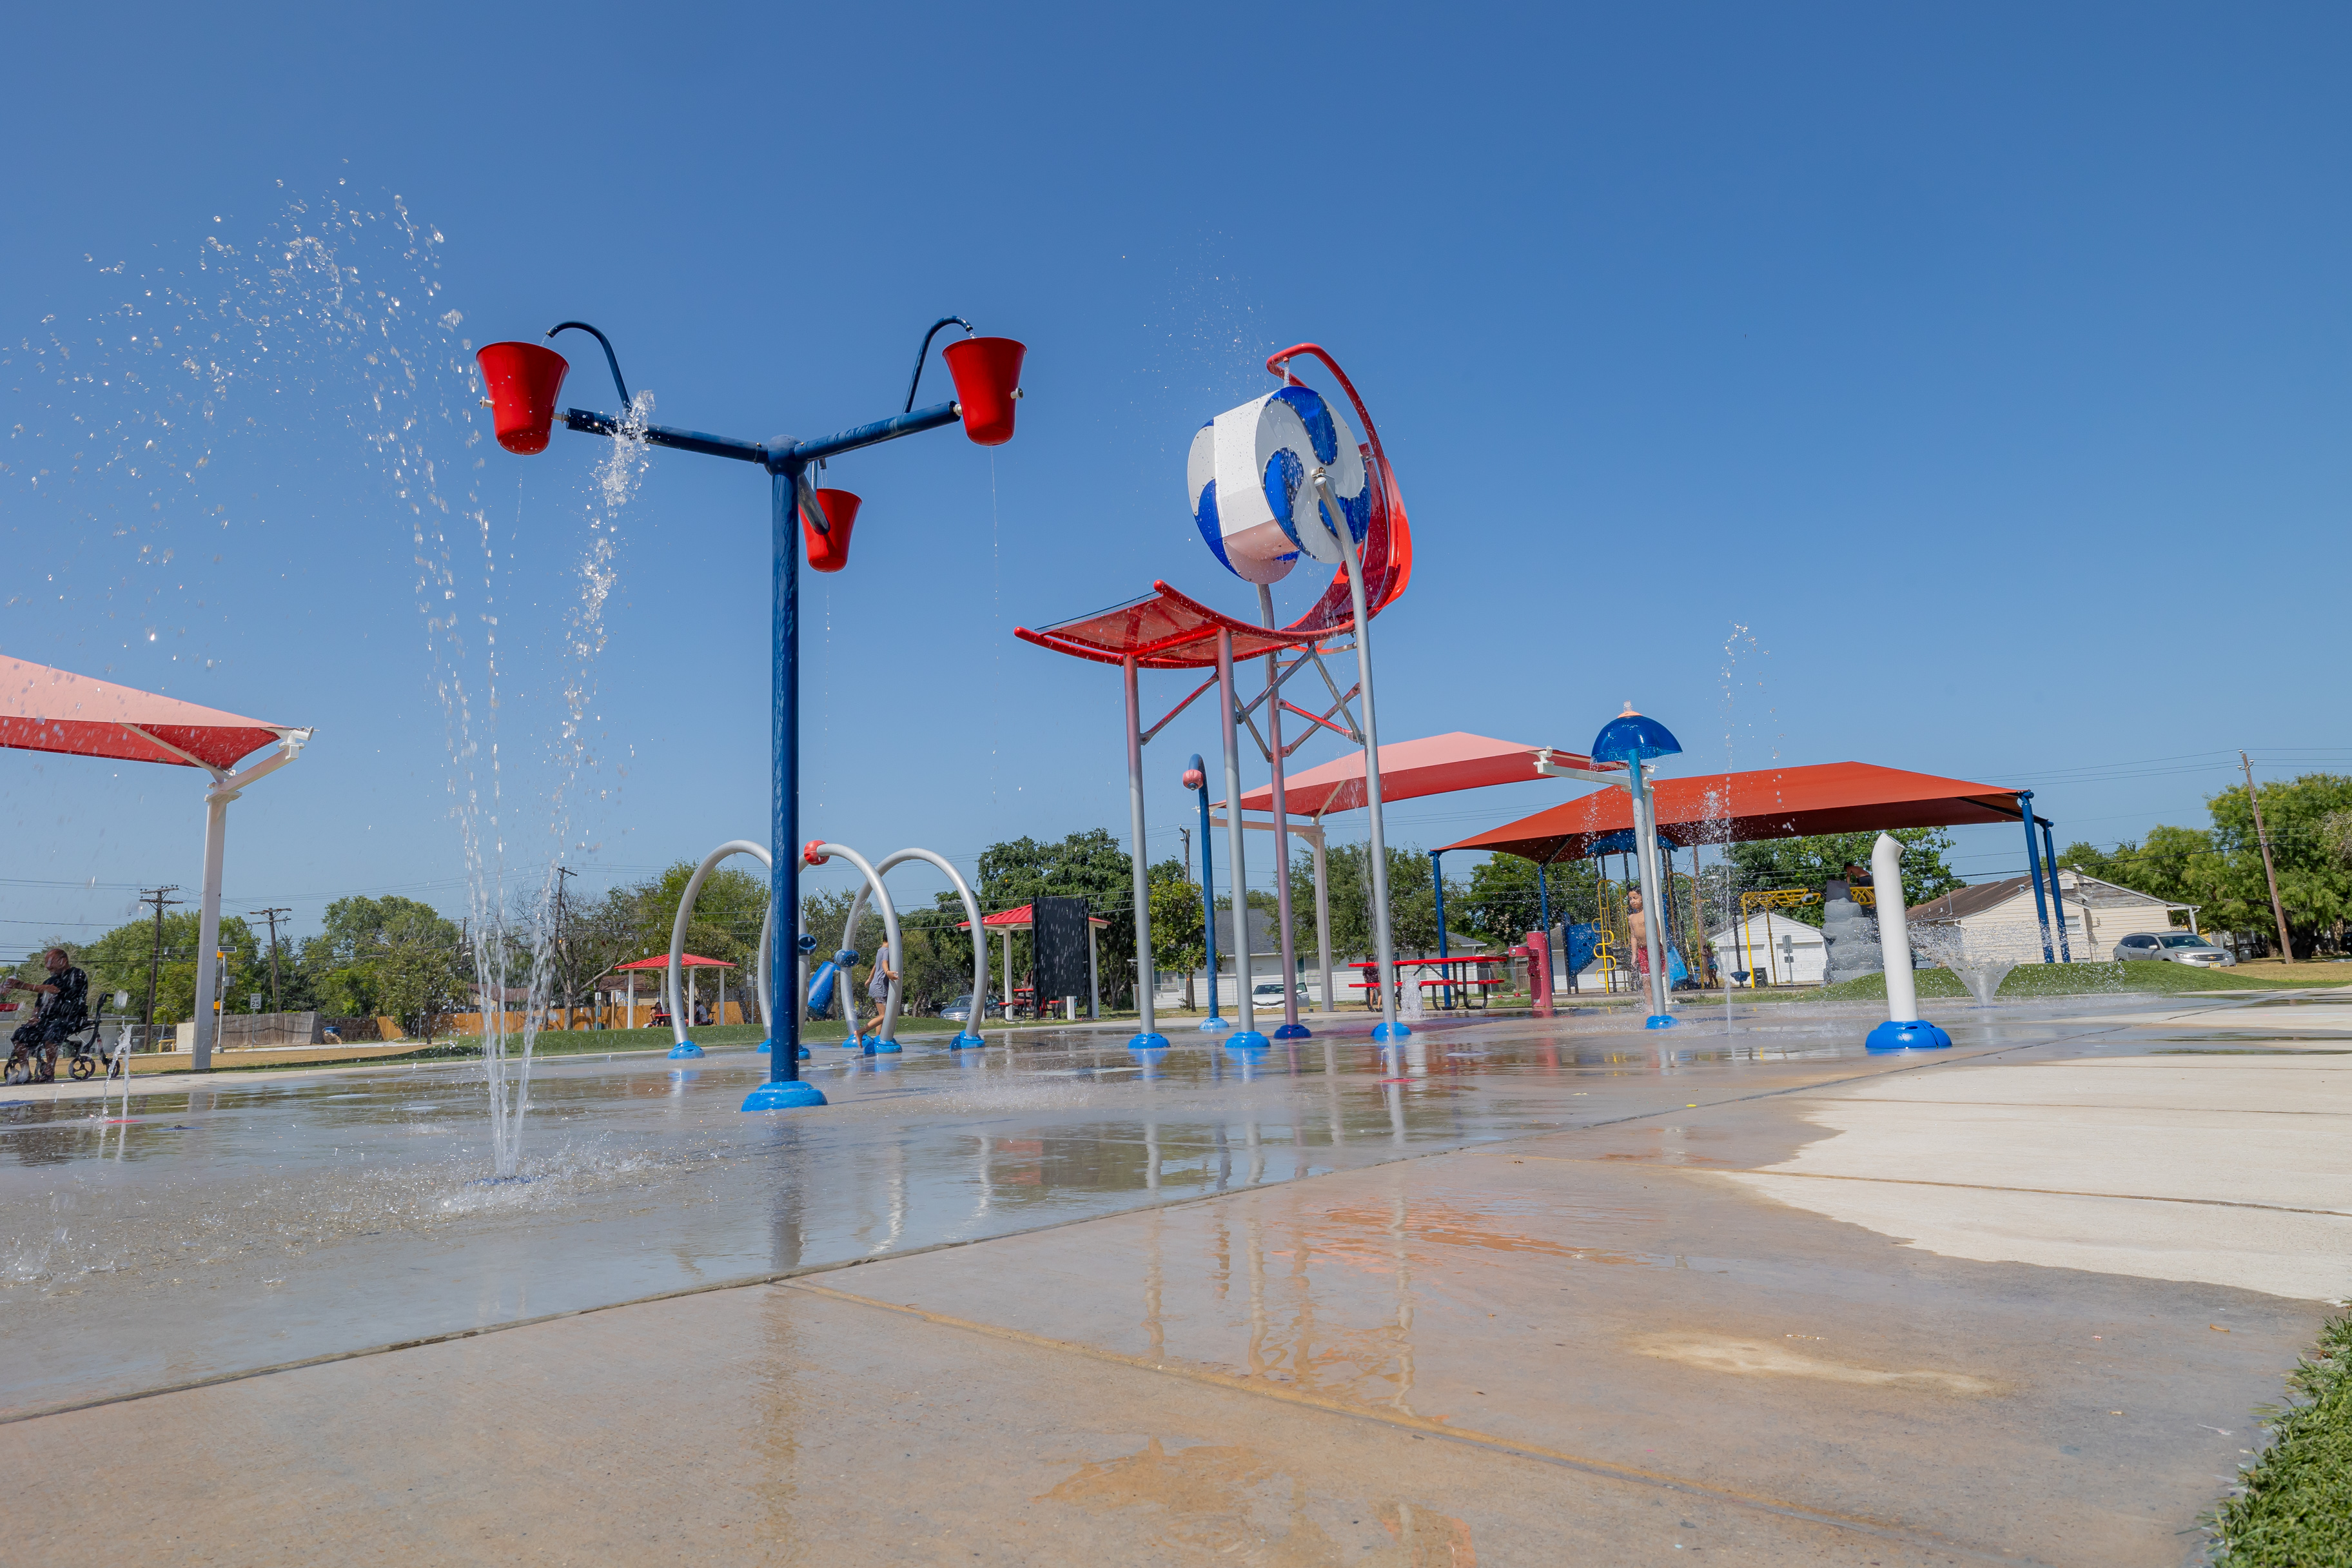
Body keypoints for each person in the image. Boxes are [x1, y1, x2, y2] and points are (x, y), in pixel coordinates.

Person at [6, 947, 89, 1084]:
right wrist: (34, 1017)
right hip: (48, 1020)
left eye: (50, 962)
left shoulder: (76, 974)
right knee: (19, 1035)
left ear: (63, 961)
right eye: (46, 963)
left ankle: (49, 1072)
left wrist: (22, 985)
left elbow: (53, 990)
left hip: (71, 1017)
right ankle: (25, 1072)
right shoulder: (48, 981)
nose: (47, 966)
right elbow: (39, 1005)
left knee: (52, 1034)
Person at [861, 943, 897, 1043]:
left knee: (882, 1016)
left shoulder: (880, 950)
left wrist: (870, 979)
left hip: (878, 985)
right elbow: (884, 963)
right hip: (879, 987)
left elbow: (876, 965)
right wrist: (888, 972)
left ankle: (879, 1039)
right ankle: (860, 1032)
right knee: (884, 1016)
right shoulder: (886, 951)